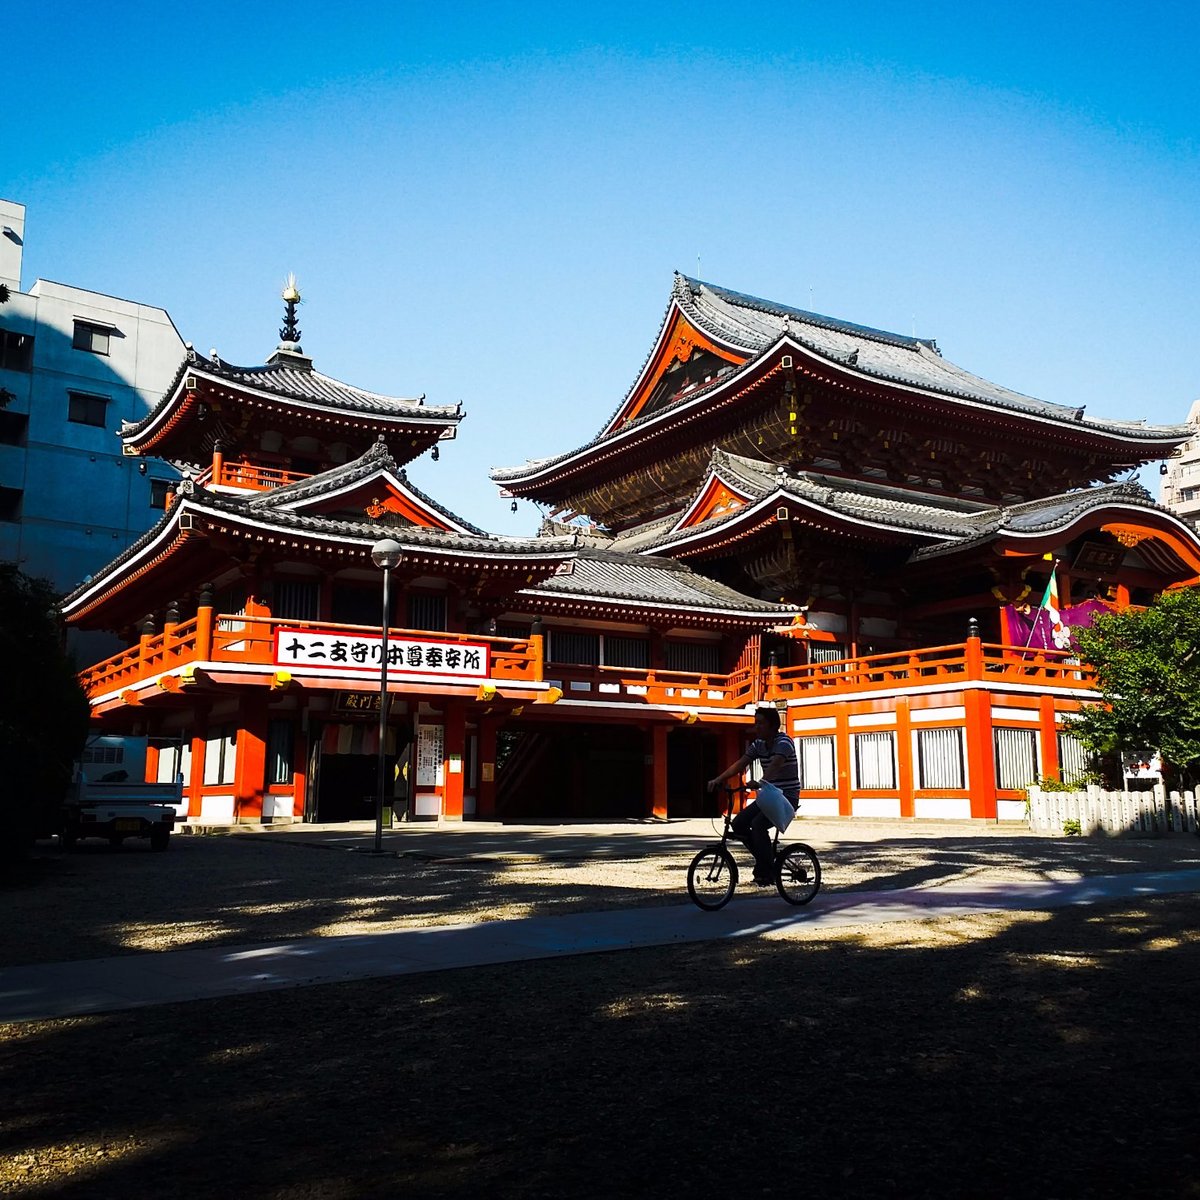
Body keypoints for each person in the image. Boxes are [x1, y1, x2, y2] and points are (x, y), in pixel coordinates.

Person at [707, 707, 800, 886]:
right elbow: (740, 764)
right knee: (738, 824)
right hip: (769, 796)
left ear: (772, 725)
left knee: (758, 825)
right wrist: (718, 779)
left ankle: (765, 869)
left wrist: (761, 781)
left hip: (786, 798)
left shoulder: (784, 742)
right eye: (755, 723)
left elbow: (775, 765)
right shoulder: (758, 745)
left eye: (760, 723)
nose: (756, 727)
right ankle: (765, 858)